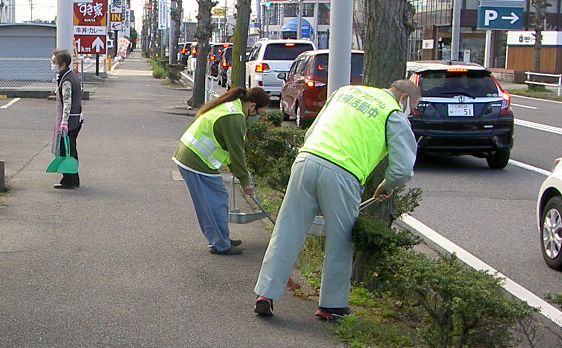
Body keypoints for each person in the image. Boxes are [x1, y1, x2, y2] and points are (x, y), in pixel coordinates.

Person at [252, 78, 421, 321]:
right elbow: (403, 169)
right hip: (343, 173)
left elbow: (312, 130)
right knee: (340, 239)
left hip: (308, 159)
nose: (410, 113)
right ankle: (331, 305)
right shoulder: (393, 113)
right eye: (412, 107)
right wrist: (387, 185)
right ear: (404, 98)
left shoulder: (346, 92)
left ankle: (265, 293)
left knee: (287, 230)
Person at [172, 86, 269, 256]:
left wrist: (240, 175)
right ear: (252, 106)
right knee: (214, 204)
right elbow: (237, 153)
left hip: (194, 157)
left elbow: (232, 154)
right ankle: (221, 244)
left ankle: (220, 239)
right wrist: (245, 182)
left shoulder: (231, 106)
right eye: (259, 112)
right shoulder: (235, 118)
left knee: (214, 202)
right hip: (196, 160)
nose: (258, 117)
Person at [51, 49, 84, 189]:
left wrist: (64, 122)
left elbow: (67, 103)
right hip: (76, 119)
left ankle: (69, 179)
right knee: (71, 149)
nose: (52, 65)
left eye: (54, 62)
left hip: (70, 120)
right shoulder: (71, 75)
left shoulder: (67, 80)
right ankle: (73, 178)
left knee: (66, 150)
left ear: (62, 64)